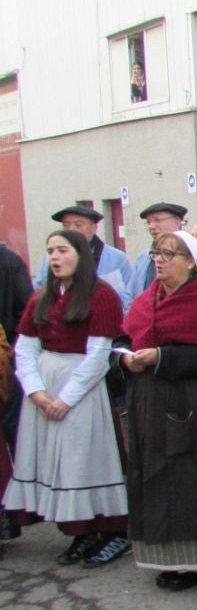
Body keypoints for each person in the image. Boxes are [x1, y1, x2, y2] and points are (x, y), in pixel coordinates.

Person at [3, 229, 130, 567]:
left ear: (80, 255)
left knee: (84, 459)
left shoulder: (100, 296)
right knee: (59, 464)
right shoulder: (40, 298)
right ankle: (81, 531)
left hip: (81, 387)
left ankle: (114, 531)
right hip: (45, 383)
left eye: (62, 250)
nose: (55, 257)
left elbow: (98, 354)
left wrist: (65, 399)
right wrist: (37, 392)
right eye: (50, 251)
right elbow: (25, 348)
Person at [119, 231, 197, 591]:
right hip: (148, 400)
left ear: (191, 261)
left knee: (189, 479)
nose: (160, 259)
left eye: (170, 254)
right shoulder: (145, 300)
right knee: (154, 476)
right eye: (157, 252)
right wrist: (125, 358)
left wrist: (162, 357)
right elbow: (125, 336)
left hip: (188, 401)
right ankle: (166, 557)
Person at [33, 206, 135, 311]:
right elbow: (40, 289)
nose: (71, 229)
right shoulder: (51, 257)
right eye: (66, 225)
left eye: (78, 225)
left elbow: (129, 295)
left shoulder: (117, 258)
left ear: (93, 228)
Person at [0, 239, 32, 544]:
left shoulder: (7, 262)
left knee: (12, 436)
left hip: (4, 361)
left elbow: (25, 312)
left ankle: (13, 513)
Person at [130, 203, 187, 294]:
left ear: (177, 222)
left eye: (157, 220)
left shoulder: (190, 256)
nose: (151, 227)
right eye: (148, 222)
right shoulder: (142, 258)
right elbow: (130, 294)